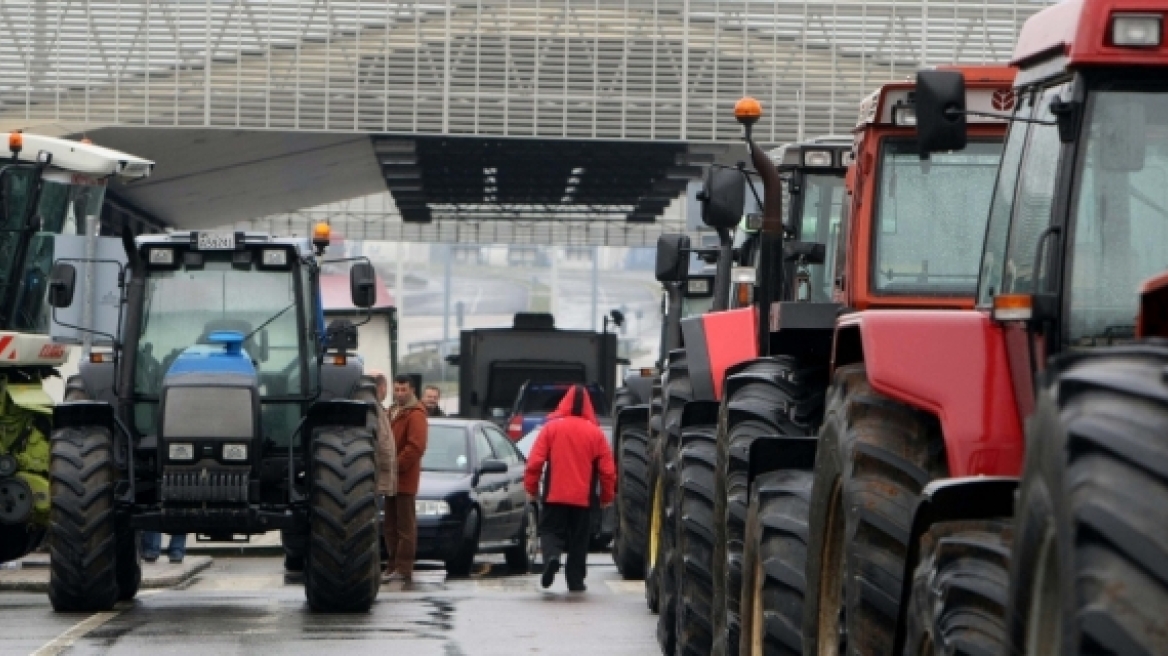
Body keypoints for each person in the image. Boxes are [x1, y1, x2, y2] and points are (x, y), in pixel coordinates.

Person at [523, 384, 615, 592]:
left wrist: (531, 488)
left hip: (554, 495)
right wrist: (606, 497)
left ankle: (552, 558)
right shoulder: (596, 434)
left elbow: (534, 463)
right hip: (583, 499)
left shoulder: (551, 429)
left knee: (549, 530)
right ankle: (575, 580)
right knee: (579, 539)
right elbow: (607, 471)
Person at [383, 374, 429, 584]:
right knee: (390, 525)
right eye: (397, 389)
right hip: (392, 478)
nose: (400, 393)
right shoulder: (392, 411)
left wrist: (395, 465)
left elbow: (415, 447)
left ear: (411, 390)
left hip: (404, 478)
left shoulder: (416, 414)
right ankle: (393, 564)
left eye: (404, 390)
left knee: (405, 526)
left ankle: (403, 566)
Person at [367, 370, 398, 556]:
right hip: (378, 475)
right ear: (382, 387)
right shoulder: (374, 409)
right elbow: (383, 445)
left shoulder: (378, 408)